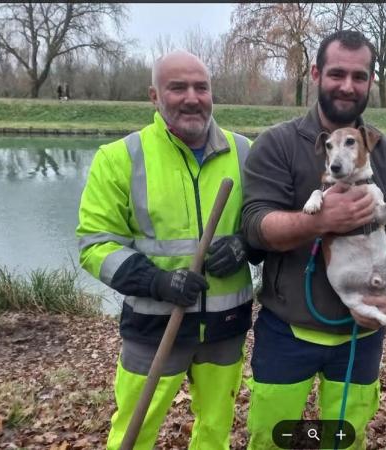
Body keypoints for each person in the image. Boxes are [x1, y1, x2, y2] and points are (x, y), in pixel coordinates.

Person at [241, 30, 386, 449]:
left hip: (359, 339)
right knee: (276, 438)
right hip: (287, 333)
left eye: (359, 76)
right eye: (337, 73)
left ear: (371, 81)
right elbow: (254, 226)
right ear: (316, 73)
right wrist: (319, 221)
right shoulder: (276, 144)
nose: (347, 85)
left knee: (341, 440)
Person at [76, 50, 261, 450]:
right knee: (133, 431)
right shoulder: (119, 158)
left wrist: (247, 244)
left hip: (225, 326)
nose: (192, 97)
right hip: (153, 326)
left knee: (215, 430)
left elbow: (266, 223)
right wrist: (155, 280)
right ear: (154, 96)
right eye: (178, 87)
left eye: (201, 87)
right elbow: (95, 245)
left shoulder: (245, 153)